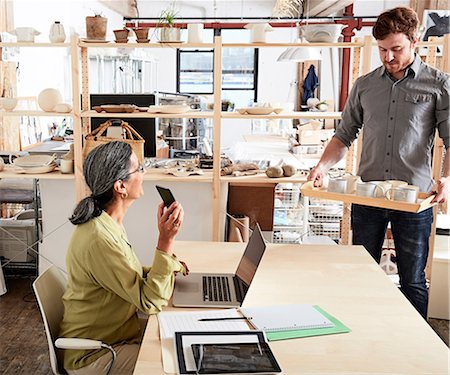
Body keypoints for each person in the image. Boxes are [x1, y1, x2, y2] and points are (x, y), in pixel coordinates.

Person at [308, 7, 449, 319]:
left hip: (414, 199)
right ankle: (364, 338)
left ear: (414, 42)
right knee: (361, 276)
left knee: (412, 281)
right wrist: (322, 166)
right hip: (367, 196)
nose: (388, 57)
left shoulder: (439, 85)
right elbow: (344, 135)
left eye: (396, 49)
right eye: (382, 50)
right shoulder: (364, 85)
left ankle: (412, 350)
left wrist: (448, 179)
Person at [59, 141, 188, 374]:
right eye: (139, 168)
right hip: (95, 353)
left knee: (181, 340)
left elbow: (130, 274)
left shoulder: (107, 223)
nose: (144, 172)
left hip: (116, 334)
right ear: (120, 186)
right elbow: (150, 303)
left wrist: (169, 266)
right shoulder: (100, 239)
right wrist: (165, 242)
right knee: (176, 361)